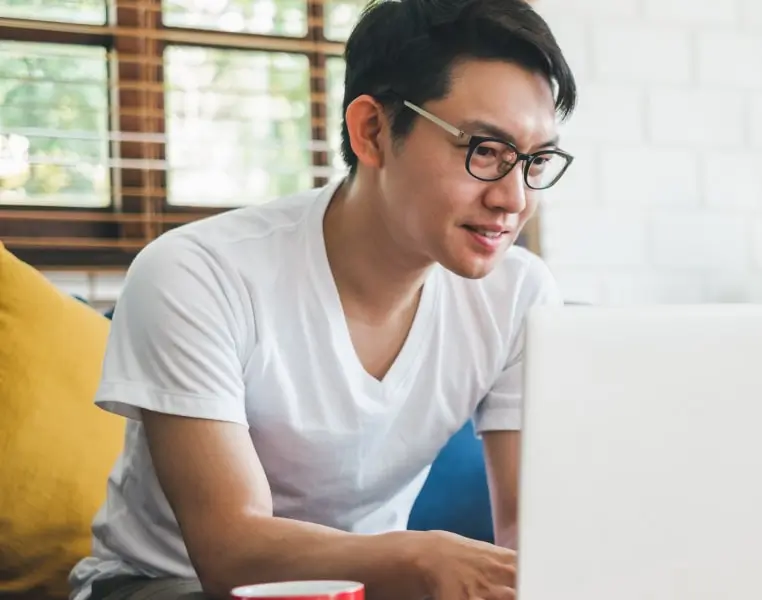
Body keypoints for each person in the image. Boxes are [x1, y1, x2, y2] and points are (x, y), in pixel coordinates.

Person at [67, 0, 577, 598]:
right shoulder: (197, 272)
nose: (514, 199)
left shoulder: (519, 293)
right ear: (373, 131)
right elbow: (229, 551)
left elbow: (528, 529)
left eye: (535, 160)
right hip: (166, 585)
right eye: (484, 151)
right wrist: (425, 556)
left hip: (368, 589)